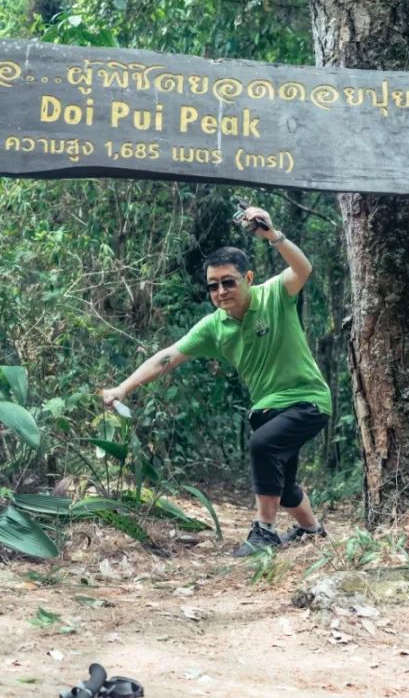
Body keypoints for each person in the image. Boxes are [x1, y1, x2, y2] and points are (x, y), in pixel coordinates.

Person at [102, 204, 332, 556]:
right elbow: (167, 357)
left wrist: (271, 235)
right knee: (284, 487)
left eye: (229, 282)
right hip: (267, 408)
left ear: (248, 279)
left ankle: (264, 531)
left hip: (309, 400)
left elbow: (303, 268)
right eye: (213, 286)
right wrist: (122, 388)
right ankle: (312, 531)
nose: (221, 291)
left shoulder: (274, 295)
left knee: (262, 445)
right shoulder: (214, 325)